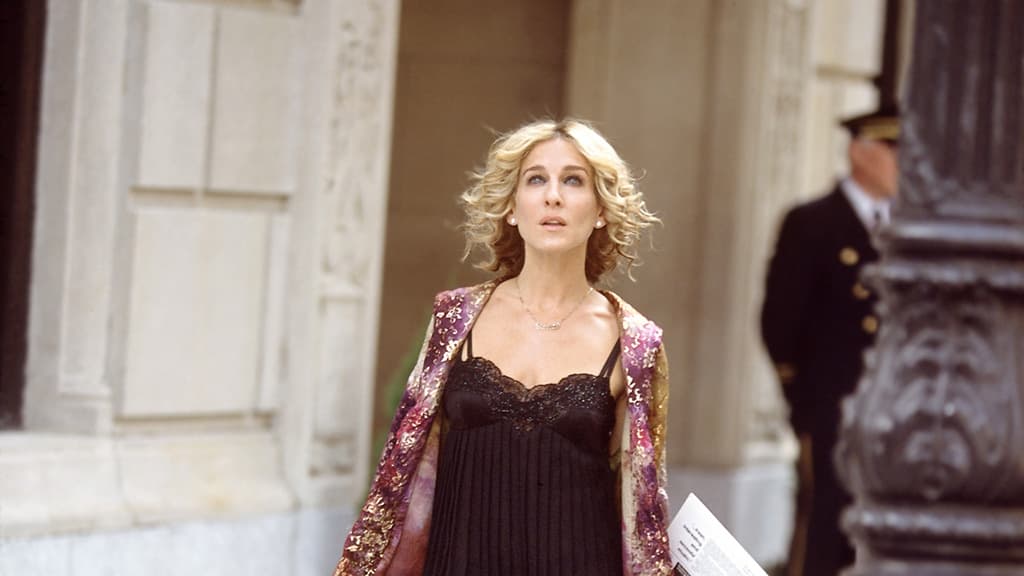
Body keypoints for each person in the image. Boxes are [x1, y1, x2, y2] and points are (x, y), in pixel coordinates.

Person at [335, 118, 672, 575]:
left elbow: (640, 507)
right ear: (512, 207)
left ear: (600, 210)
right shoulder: (455, 319)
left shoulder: (634, 342)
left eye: (574, 180)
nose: (553, 196)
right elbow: (402, 477)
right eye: (536, 179)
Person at [761, 107, 899, 576]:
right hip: (830, 407)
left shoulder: (909, 230)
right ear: (859, 152)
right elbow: (780, 321)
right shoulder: (813, 222)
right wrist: (802, 401)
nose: (905, 162)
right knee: (824, 526)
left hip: (893, 410)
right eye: (893, 148)